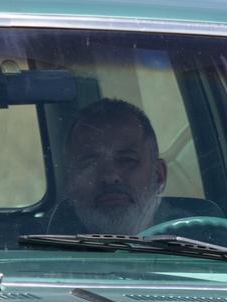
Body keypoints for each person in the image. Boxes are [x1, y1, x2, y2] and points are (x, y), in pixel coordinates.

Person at [62, 98, 167, 234]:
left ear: (159, 176)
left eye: (127, 160)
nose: (110, 176)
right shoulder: (38, 250)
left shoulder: (200, 244)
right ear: (69, 183)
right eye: (90, 163)